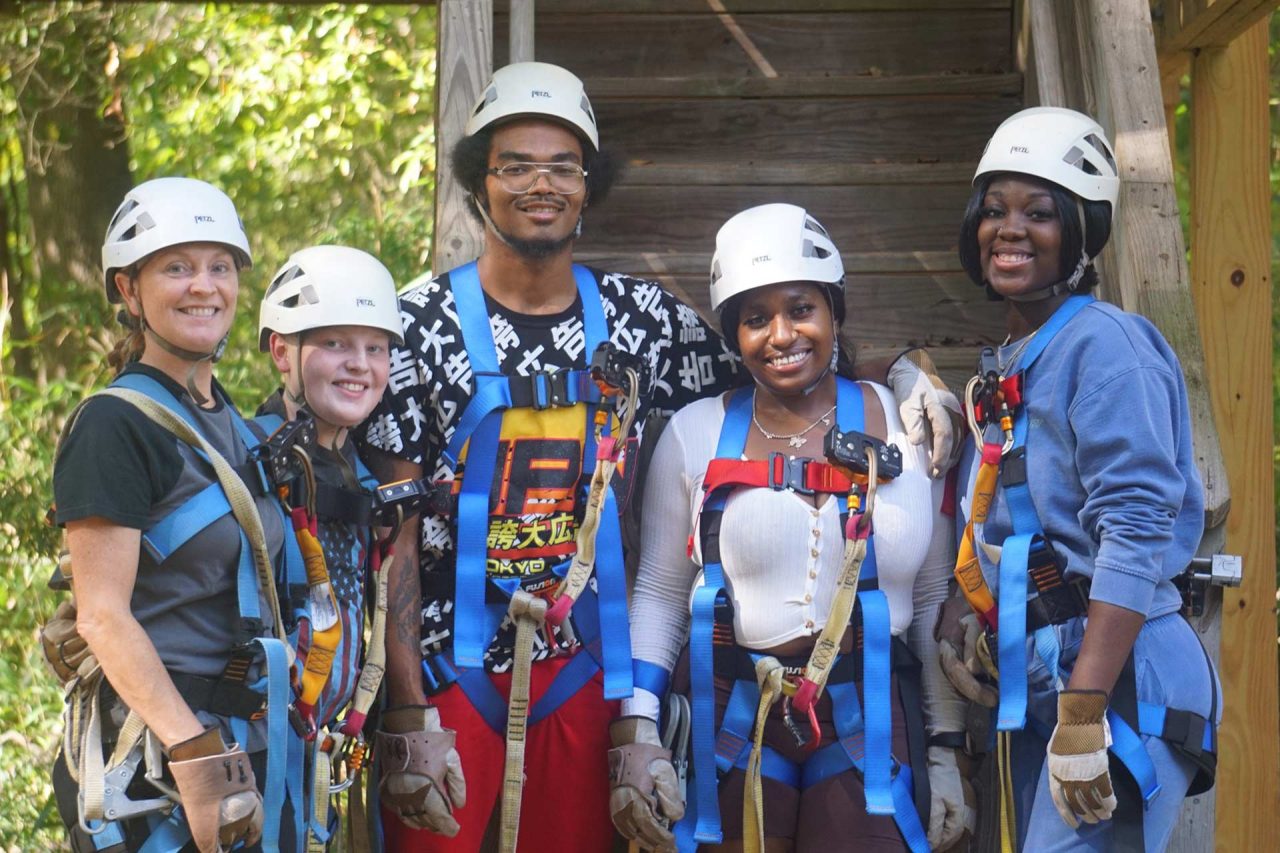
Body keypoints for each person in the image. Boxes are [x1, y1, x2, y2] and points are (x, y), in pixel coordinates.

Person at [360, 61, 963, 853]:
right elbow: (390, 534)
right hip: (450, 676)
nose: (540, 184)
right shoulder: (414, 325)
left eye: (563, 165)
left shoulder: (646, 322)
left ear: (588, 183)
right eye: (515, 164)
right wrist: (404, 710)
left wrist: (911, 368)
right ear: (480, 181)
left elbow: (789, 361)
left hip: (592, 675)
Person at [612, 203, 967, 853]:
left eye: (801, 308)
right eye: (755, 318)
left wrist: (946, 751)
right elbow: (661, 591)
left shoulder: (912, 424)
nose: (781, 334)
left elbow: (929, 599)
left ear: (834, 312)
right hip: (732, 720)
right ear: (733, 333)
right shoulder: (694, 433)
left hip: (870, 720)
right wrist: (638, 731)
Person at [946, 106, 1220, 850]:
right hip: (1053, 675)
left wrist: (1085, 705)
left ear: (1079, 230)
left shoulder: (1106, 345)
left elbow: (1133, 527)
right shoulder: (1015, 359)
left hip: (1121, 676)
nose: (1010, 228)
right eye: (994, 209)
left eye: (1039, 212)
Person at [47, 177, 294, 852]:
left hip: (246, 743)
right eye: (176, 267)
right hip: (157, 760)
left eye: (219, 266)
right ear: (129, 292)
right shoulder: (115, 425)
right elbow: (102, 614)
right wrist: (196, 755)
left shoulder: (236, 427)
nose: (203, 286)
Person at [254, 244, 409, 846]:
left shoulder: (364, 475)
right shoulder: (249, 460)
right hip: (255, 752)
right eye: (335, 344)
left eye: (376, 348)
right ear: (280, 352)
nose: (359, 366)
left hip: (327, 756)